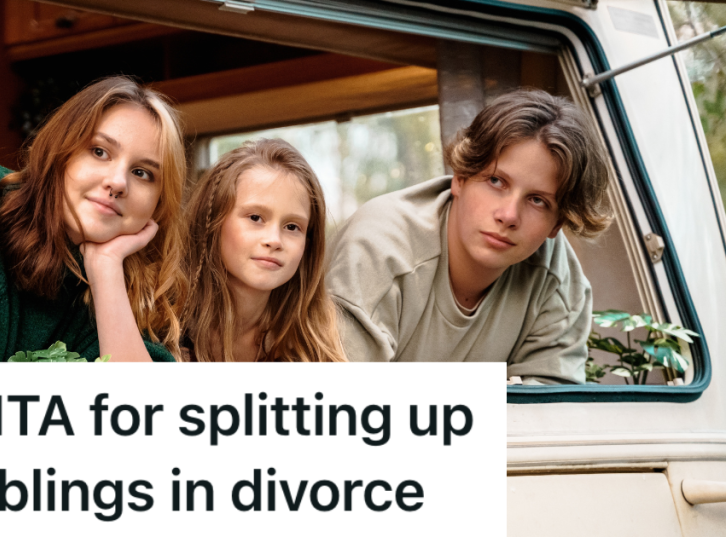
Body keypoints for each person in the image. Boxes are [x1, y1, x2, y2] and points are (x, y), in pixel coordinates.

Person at [326, 89, 612, 383]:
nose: (509, 215)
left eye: (538, 200)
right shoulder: (379, 247)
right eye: (496, 181)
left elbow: (549, 415)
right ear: (460, 178)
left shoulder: (558, 282)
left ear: (557, 225)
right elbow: (344, 402)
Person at [0, 76, 187, 362]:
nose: (118, 181)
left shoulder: (141, 288)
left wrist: (105, 268)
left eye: (142, 173)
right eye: (99, 151)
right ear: (59, 152)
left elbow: (143, 406)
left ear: (157, 205)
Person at [181, 139, 346, 362]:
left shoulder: (314, 340)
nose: (274, 240)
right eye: (256, 218)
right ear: (211, 223)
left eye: (292, 227)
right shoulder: (161, 320)